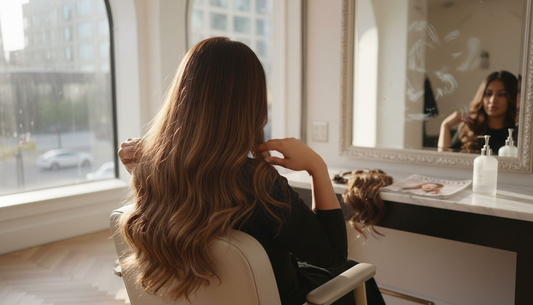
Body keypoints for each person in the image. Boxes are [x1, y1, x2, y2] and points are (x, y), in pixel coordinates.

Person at [117, 37, 385, 305]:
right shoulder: (259, 183)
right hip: (276, 297)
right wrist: (317, 167)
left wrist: (146, 167)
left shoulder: (157, 176)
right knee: (355, 273)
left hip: (196, 294)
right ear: (251, 105)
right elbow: (332, 255)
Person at [437, 71, 518, 155]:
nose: (493, 100)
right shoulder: (469, 128)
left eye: (501, 94)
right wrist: (445, 126)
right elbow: (444, 160)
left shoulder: (518, 133)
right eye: (488, 94)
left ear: (512, 97)